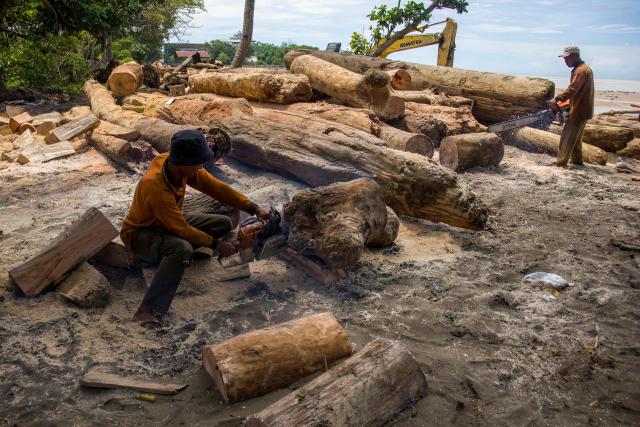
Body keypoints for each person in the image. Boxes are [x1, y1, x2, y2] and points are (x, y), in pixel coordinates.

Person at [120, 129, 270, 328]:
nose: (202, 167)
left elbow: (215, 187)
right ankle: (148, 311)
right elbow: (180, 229)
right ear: (185, 164)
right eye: (199, 163)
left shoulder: (175, 164)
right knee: (182, 248)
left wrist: (252, 207)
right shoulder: (155, 186)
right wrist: (217, 245)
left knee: (223, 223)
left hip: (167, 222)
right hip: (140, 233)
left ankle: (184, 254)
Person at [549, 45, 594, 167]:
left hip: (579, 110)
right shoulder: (584, 69)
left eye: (567, 58)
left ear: (574, 56)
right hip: (583, 109)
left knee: (567, 137)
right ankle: (577, 161)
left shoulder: (580, 71)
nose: (565, 61)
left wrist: (557, 98)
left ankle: (561, 162)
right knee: (576, 138)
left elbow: (572, 89)